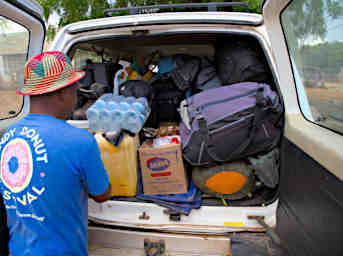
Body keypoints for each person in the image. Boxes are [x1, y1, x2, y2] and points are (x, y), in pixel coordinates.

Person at [0, 51, 111, 256]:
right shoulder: (81, 141)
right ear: (62, 92)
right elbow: (103, 194)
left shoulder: (7, 138)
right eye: (75, 90)